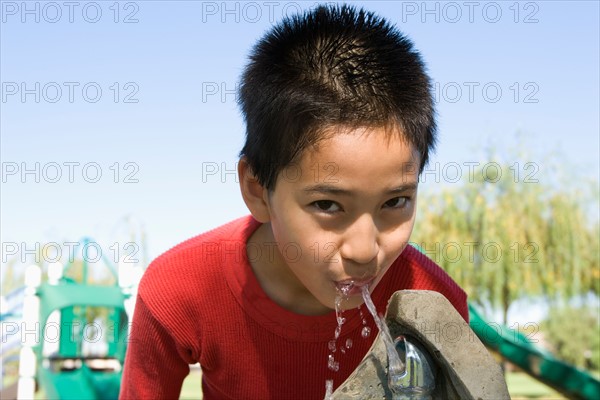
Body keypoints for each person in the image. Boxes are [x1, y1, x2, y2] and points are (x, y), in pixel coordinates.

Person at [119, 4, 468, 399]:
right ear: (256, 188)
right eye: (327, 205)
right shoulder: (180, 288)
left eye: (395, 202)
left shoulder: (432, 306)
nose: (364, 250)